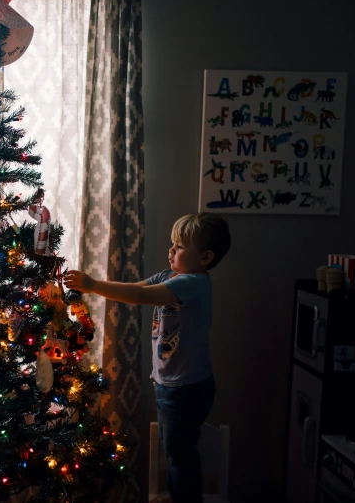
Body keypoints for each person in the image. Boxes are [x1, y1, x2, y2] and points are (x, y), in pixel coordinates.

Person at [64, 213, 231, 503]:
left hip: (185, 389)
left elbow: (139, 297)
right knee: (177, 450)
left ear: (204, 258)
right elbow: (138, 288)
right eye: (172, 244)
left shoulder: (193, 283)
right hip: (172, 385)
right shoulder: (171, 276)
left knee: (180, 455)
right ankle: (180, 495)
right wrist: (94, 285)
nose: (171, 251)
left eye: (179, 247)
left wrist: (92, 285)